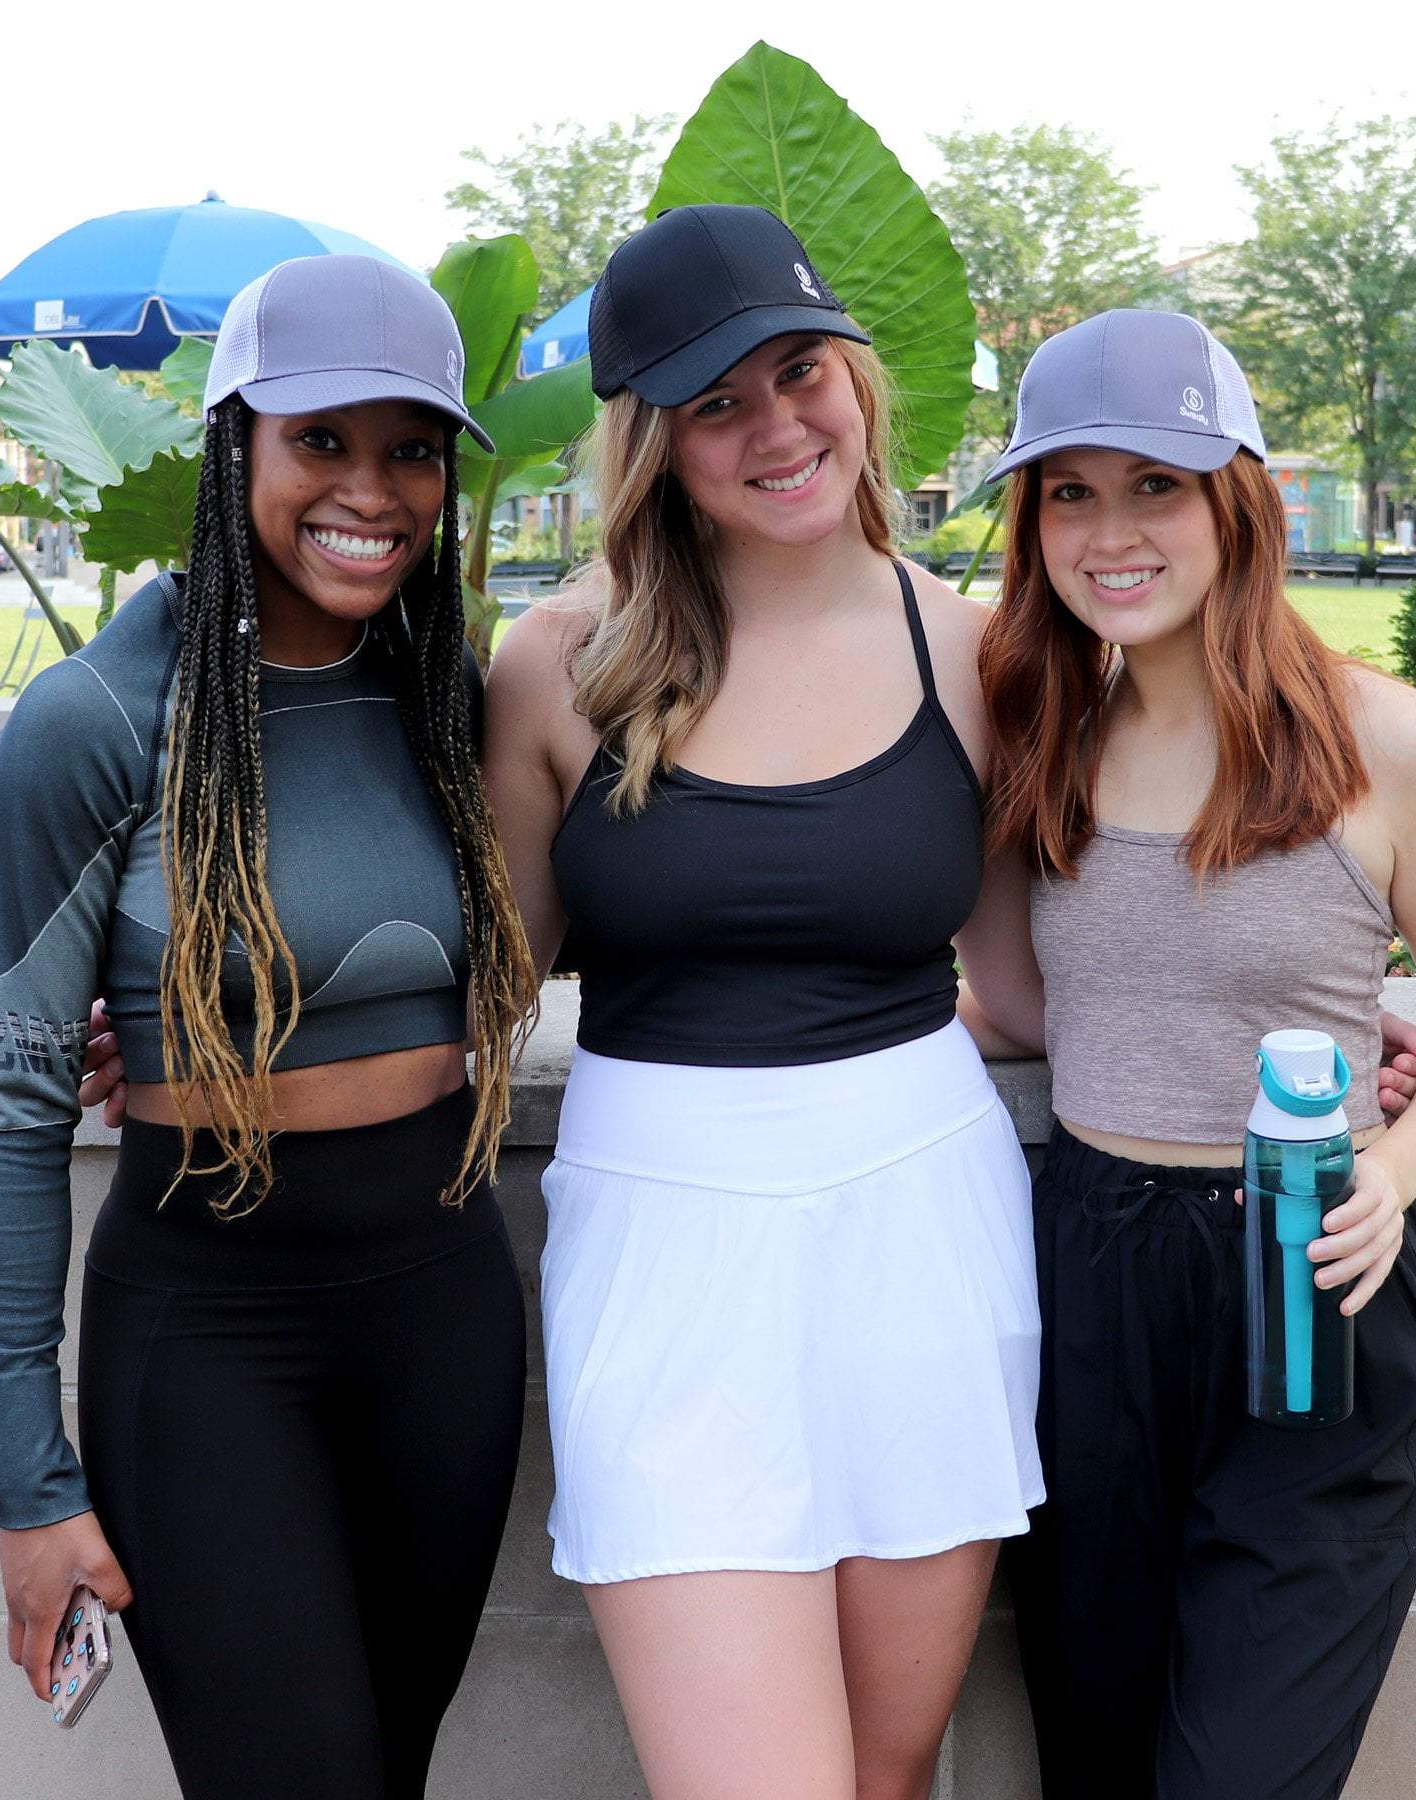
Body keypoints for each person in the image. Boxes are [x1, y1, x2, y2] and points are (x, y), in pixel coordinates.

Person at [481, 203, 1049, 1800]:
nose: (775, 426)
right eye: (715, 402)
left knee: (882, 1779)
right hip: (666, 1249)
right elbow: (483, 992)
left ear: (857, 379)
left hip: (925, 1238)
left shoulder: (978, 653)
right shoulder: (562, 666)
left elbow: (1017, 991)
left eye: (800, 372)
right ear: (654, 444)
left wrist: (1332, 1043)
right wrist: (198, 1038)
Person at [0, 254, 538, 1800]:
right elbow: (12, 1114)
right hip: (209, 1334)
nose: (373, 489)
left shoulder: (447, 699)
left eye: (411, 448)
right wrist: (29, 1483)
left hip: (445, 1314)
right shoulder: (94, 722)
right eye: (322, 442)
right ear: (236, 450)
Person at [963, 309, 1416, 1800]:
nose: (1110, 532)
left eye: (1155, 484)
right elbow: (1035, 1009)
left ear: (1241, 498)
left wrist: (1392, 1164)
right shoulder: (1040, 730)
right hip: (1091, 1277)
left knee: (1245, 1771)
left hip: (1313, 1271)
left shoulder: (1391, 745)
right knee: (1096, 1748)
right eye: (1069, 493)